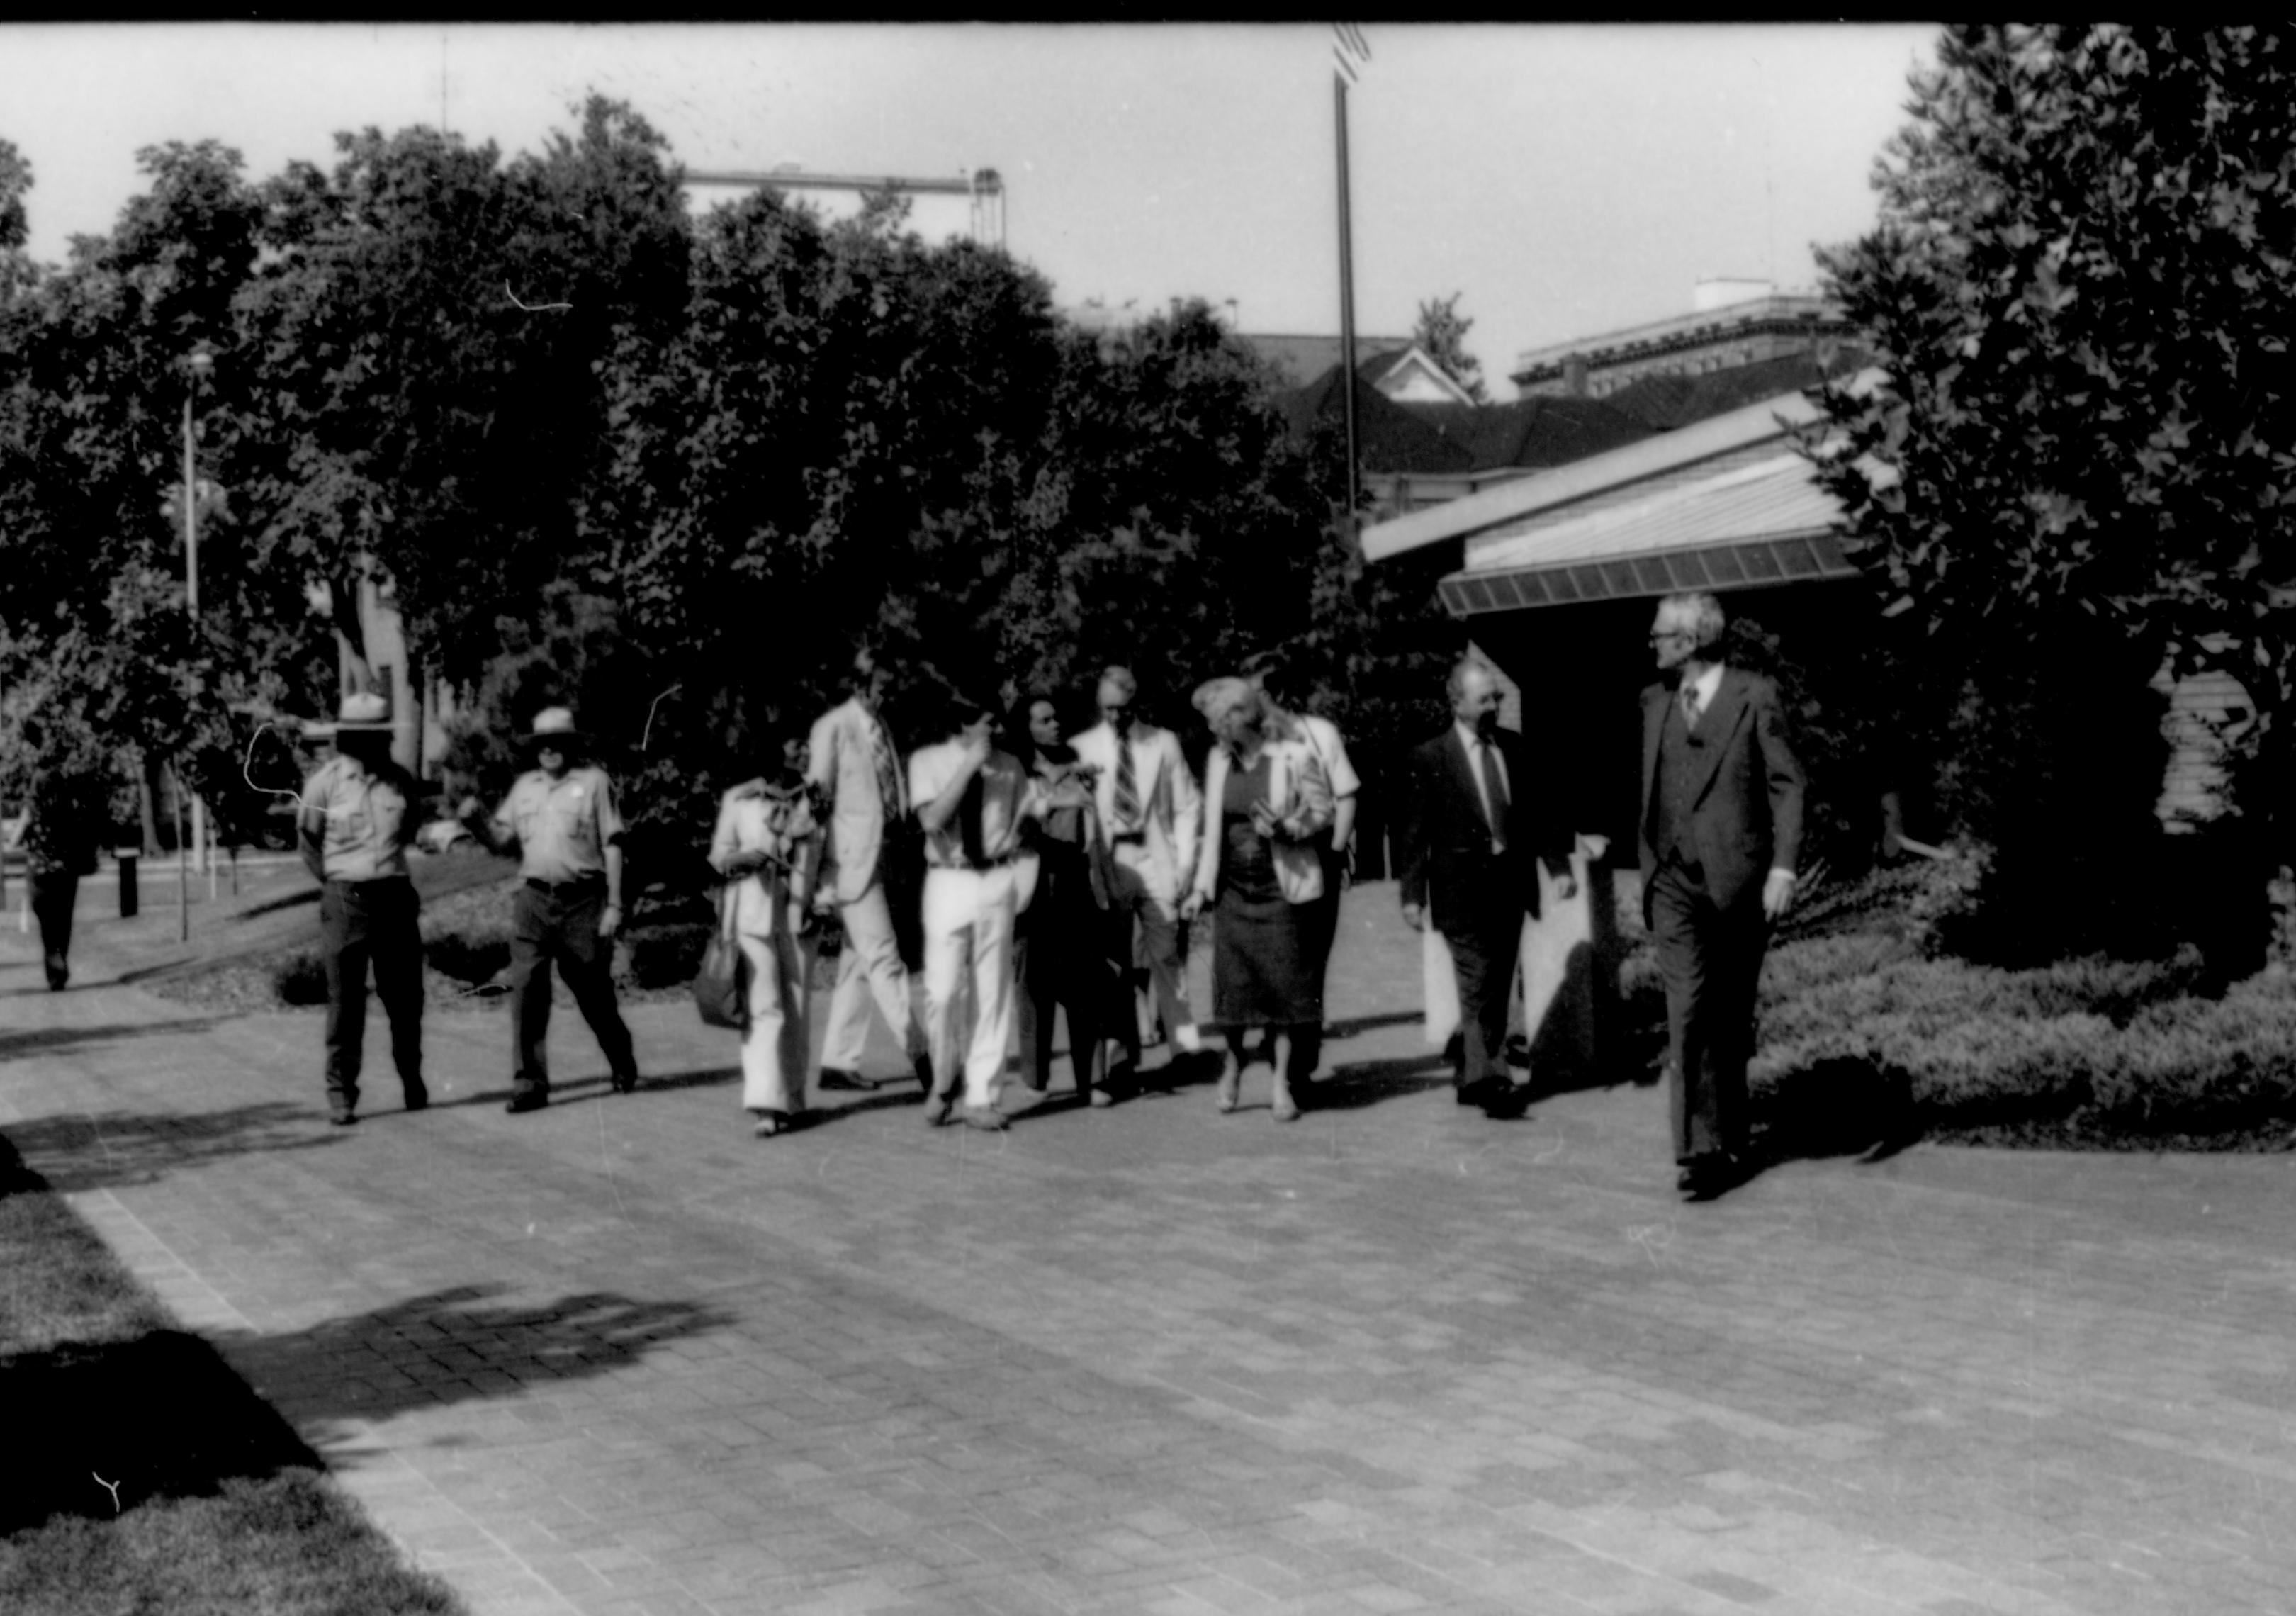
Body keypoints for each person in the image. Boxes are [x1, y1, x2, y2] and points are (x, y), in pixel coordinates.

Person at [1638, 592, 1805, 1196]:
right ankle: (1700, 1149)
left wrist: (1783, 869)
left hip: (1739, 884)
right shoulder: (1653, 703)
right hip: (1673, 884)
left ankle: (1731, 1138)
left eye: (1659, 635)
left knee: (1728, 1017)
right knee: (1686, 1012)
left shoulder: (1753, 695)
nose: (1651, 643)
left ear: (1689, 642)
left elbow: (1788, 785)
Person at [1397, 657, 1577, 1118]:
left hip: (1510, 887)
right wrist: (1412, 894)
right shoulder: (1430, 757)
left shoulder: (1514, 749)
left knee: (1496, 984)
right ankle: (1491, 1078)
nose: (1494, 705)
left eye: (1496, 696)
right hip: (1459, 891)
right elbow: (1415, 834)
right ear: (1456, 703)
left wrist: (1558, 868)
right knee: (1477, 981)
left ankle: (1467, 1066)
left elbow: (1539, 815)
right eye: (1484, 699)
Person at [461, 707, 641, 1115]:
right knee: (526, 991)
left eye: (558, 742)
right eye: (543, 743)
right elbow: (504, 843)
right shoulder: (525, 788)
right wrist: (478, 825)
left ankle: (621, 1057)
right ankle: (529, 1084)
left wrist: (615, 904)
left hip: (584, 901)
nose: (550, 749)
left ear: (571, 746)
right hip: (534, 901)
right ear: (535, 748)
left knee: (592, 992)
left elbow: (613, 843)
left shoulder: (594, 783)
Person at [1183, 677, 1333, 1123]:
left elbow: (1322, 810)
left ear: (1237, 718)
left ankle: (1280, 1082)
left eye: (1216, 721)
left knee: (1283, 994)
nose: (1212, 730)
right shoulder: (1216, 762)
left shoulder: (1294, 755)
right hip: (1233, 893)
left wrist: (1288, 826)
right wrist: (1198, 889)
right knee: (1233, 994)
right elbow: (1211, 831)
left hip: (1280, 891)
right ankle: (1233, 1063)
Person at [909, 688, 1039, 1131]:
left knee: (992, 991)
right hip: (949, 878)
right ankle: (944, 1078)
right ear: (964, 724)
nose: (998, 730)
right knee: (942, 992)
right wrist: (967, 766)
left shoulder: (1011, 765)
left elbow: (1027, 817)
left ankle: (982, 1095)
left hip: (996, 879)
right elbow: (931, 821)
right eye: (989, 722)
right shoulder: (927, 762)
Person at [1070, 666, 1204, 1087]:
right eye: (1108, 709)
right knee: (1116, 961)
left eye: (1123, 709)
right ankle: (1121, 1055)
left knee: (1167, 954)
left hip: (1155, 855)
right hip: (1110, 861)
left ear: (1136, 704)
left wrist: (1185, 865)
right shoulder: (1082, 748)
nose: (1116, 717)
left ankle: (1184, 1047)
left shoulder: (1163, 743)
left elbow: (1186, 806)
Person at [806, 647, 932, 1094]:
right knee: (885, 959)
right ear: (860, 685)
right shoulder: (833, 728)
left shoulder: (882, 726)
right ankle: (924, 1058)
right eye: (882, 687)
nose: (888, 695)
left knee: (859, 963)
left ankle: (838, 1062)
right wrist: (819, 881)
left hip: (884, 859)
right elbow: (817, 804)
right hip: (849, 864)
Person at [298, 692, 427, 1126]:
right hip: (346, 899)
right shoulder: (326, 783)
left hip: (393, 895)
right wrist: (338, 882)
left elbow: (409, 828)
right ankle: (341, 1093)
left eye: (377, 737)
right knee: (346, 1003)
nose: (369, 744)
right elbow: (309, 843)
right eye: (360, 736)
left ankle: (412, 1077)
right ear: (346, 736)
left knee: (405, 999)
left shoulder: (401, 781)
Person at [1242, 653, 1361, 1091]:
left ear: (1276, 694)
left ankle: (1299, 1061)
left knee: (1309, 963)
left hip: (1317, 859)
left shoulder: (1319, 734)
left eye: (1253, 695)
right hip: (1262, 868)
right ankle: (1281, 1051)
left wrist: (1335, 852)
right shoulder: (1248, 741)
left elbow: (1346, 795)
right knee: (1272, 962)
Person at [708, 722, 824, 1139]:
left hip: (799, 914)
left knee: (796, 1009)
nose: (807, 752)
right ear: (776, 751)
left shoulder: (816, 798)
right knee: (763, 1007)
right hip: (753, 913)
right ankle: (765, 1102)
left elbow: (829, 855)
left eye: (809, 745)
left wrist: (822, 899)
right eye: (798, 744)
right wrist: (745, 858)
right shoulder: (741, 799)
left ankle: (791, 1097)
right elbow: (718, 857)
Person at [1008, 692, 1119, 1107]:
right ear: (1027, 729)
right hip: (1032, 886)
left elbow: (1097, 828)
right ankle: (1035, 1077)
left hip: (1074, 881)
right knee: (1032, 982)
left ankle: (1093, 1078)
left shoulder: (1079, 769)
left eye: (1057, 718)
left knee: (1085, 982)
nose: (1055, 725)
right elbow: (1014, 825)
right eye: (1044, 720)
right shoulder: (1017, 771)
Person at [18, 717, 109, 994]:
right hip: (66, 868)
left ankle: (54, 964)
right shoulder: (70, 806)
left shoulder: (32, 808)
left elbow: (16, 836)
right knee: (64, 919)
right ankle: (60, 963)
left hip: (40, 869)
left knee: (46, 921)